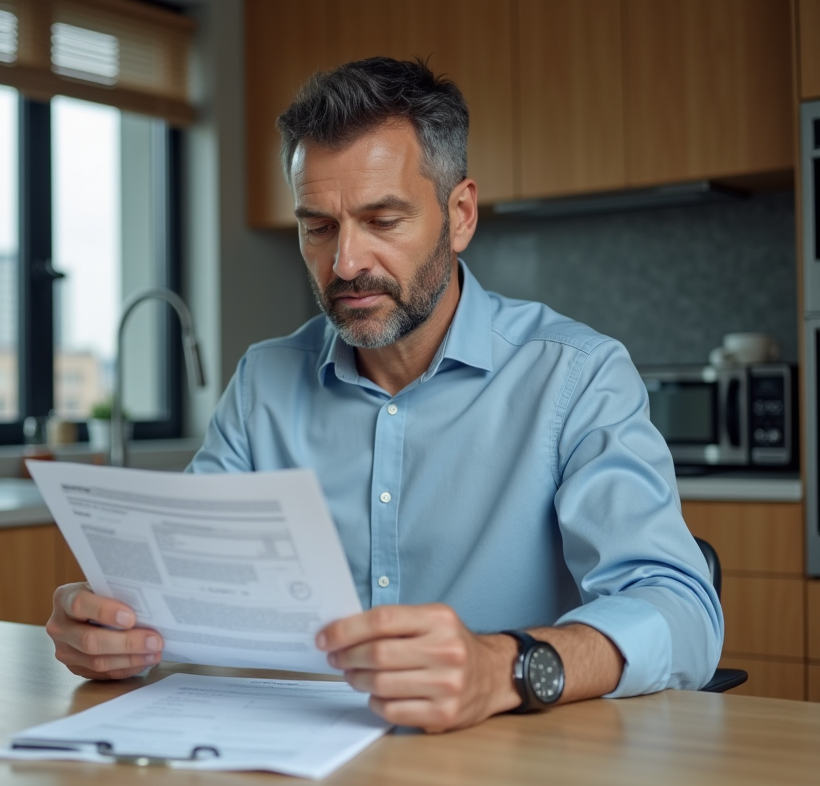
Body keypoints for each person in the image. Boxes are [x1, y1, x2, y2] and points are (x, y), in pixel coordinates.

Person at [45, 56, 722, 733]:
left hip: (506, 765)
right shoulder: (263, 384)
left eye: (383, 221)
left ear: (459, 215)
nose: (345, 263)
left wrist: (504, 667)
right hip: (301, 759)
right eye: (318, 227)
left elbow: (681, 612)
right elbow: (190, 593)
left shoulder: (577, 377)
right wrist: (116, 629)